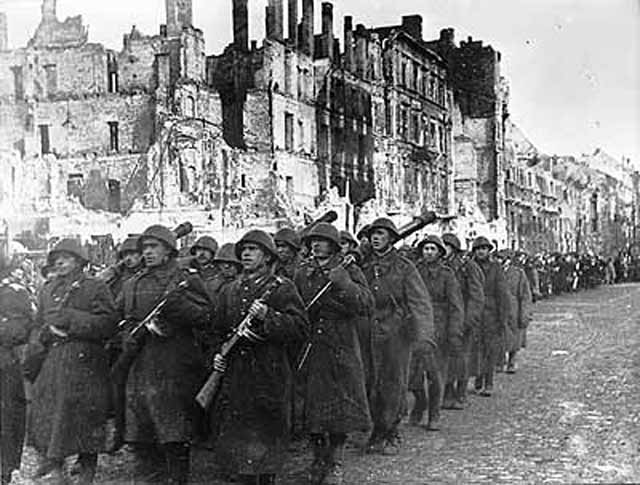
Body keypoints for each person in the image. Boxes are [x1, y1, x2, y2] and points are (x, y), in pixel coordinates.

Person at [208, 230, 308, 485]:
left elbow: (300, 328)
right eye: (244, 250)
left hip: (269, 372)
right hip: (236, 375)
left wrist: (268, 316)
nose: (246, 254)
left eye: (253, 250)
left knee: (266, 443)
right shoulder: (230, 290)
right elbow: (214, 331)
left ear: (267, 257)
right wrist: (218, 355)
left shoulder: (282, 288)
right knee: (240, 444)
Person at [117, 225, 210, 484]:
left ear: (169, 251)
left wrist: (177, 307)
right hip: (141, 368)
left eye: (153, 247)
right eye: (144, 247)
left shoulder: (185, 279)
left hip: (174, 367)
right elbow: (119, 318)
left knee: (174, 436)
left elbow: (207, 316)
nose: (147, 252)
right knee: (142, 439)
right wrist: (125, 335)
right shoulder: (133, 282)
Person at [28, 239, 118, 485]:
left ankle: (86, 471)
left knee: (86, 419)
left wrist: (72, 319)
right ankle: (56, 470)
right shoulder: (48, 290)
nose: (58, 262)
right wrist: (44, 335)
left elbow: (109, 323)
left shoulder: (96, 287)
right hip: (54, 360)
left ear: (79, 261)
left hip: (86, 362)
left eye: (65, 257)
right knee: (49, 414)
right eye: (56, 258)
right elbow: (37, 326)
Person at [294, 223, 372, 484]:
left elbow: (365, 303)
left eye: (322, 241)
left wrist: (345, 284)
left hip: (341, 344)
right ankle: (318, 457)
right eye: (313, 241)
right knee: (311, 406)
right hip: (311, 345)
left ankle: (336, 461)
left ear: (334, 245)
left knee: (341, 406)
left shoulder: (349, 269)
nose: (316, 245)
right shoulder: (302, 271)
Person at [360, 218, 435, 454]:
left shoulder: (404, 267)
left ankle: (392, 431)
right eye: (373, 234)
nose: (375, 238)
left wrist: (424, 336)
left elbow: (420, 302)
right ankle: (377, 429)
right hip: (369, 331)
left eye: (381, 234)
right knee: (371, 382)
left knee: (394, 383)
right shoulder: (364, 264)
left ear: (391, 238)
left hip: (396, 332)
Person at [409, 235, 463, 430]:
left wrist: (454, 332)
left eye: (433, 249)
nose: (429, 252)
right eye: (426, 249)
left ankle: (434, 414)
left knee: (435, 375)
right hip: (417, 327)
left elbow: (456, 306)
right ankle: (420, 403)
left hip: (440, 329)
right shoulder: (414, 271)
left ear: (440, 253)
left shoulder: (447, 275)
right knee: (413, 375)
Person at [0, 258, 34, 485]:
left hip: (3, 363)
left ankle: (5, 471)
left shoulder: (12, 293)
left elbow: (19, 329)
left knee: (6, 420)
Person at [442, 233, 484, 406]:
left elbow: (476, 295)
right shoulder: (441, 266)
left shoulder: (468, 267)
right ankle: (447, 393)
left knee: (462, 358)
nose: (443, 249)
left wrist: (469, 320)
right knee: (446, 358)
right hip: (445, 319)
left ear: (454, 248)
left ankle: (461, 394)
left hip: (464, 318)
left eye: (447, 246)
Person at [470, 237, 510, 397]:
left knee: (490, 349)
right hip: (473, 311)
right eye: (478, 248)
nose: (481, 251)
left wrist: (502, 316)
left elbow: (502, 292)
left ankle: (489, 382)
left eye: (484, 248)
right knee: (475, 347)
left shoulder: (496, 268)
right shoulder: (469, 267)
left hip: (490, 313)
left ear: (489, 251)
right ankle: (478, 377)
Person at [496, 250, 532, 374]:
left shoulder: (518, 274)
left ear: (509, 260)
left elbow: (525, 295)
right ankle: (499, 361)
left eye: (503, 259)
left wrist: (525, 313)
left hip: (514, 310)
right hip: (498, 309)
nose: (500, 261)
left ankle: (512, 361)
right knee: (499, 336)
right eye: (498, 258)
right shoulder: (494, 272)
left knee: (515, 337)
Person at [189, 235, 220, 300]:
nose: (202, 253)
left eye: (206, 250)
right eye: (199, 249)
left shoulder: (219, 274)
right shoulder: (186, 271)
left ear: (212, 254)